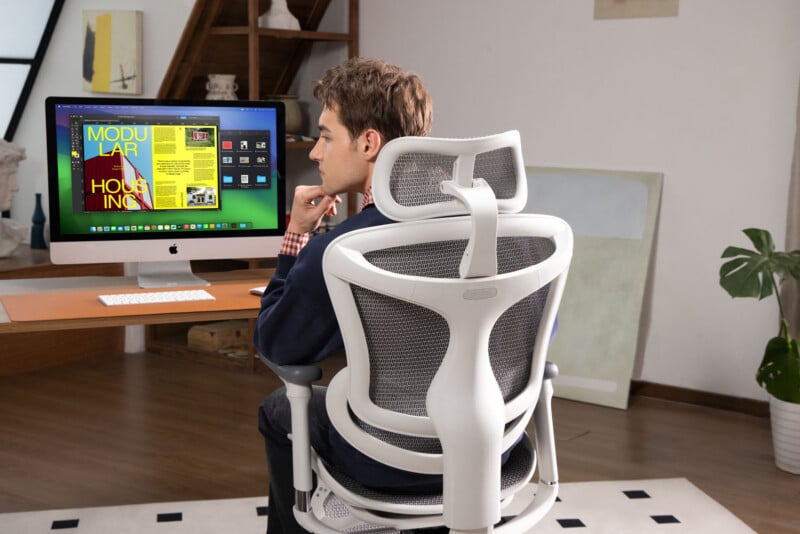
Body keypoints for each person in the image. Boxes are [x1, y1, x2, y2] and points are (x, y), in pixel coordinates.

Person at [254, 57, 434, 533]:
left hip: (386, 460)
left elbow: (276, 343)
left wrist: (296, 236)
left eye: (327, 135)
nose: (315, 152)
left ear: (369, 142)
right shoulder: (495, 233)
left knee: (278, 408)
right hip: (489, 449)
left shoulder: (343, 248)